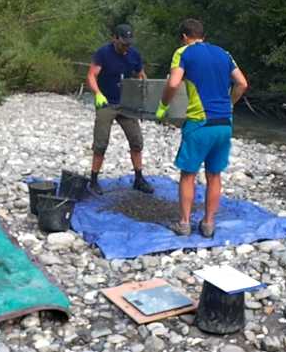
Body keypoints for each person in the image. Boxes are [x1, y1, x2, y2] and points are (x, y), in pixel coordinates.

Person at [156, 18, 248, 238]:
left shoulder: (183, 52)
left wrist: (163, 106)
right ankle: (208, 224)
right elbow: (242, 83)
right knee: (214, 175)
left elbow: (173, 83)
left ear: (185, 37)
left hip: (200, 122)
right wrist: (229, 104)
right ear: (203, 35)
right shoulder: (224, 54)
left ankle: (185, 224)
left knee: (188, 174)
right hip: (224, 123)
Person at [86, 23, 154, 195]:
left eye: (129, 43)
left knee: (136, 140)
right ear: (114, 38)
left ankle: (139, 178)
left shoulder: (134, 55)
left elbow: (141, 75)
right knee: (101, 142)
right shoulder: (103, 53)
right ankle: (93, 180)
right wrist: (97, 93)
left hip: (127, 104)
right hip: (106, 103)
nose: (126, 46)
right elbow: (91, 75)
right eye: (123, 43)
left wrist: (143, 96)